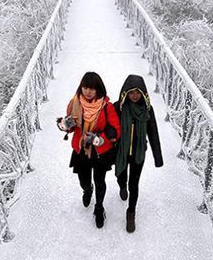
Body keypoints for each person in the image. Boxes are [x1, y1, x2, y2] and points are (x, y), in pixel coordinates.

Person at [59, 71, 120, 228]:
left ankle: (99, 207)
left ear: (98, 89)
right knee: (84, 181)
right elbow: (71, 127)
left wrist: (99, 139)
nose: (88, 91)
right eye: (85, 87)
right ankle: (87, 190)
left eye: (92, 88)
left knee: (100, 181)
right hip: (81, 151)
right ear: (81, 87)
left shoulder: (106, 106)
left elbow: (116, 129)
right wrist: (65, 125)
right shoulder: (74, 104)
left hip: (100, 152)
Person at [113, 74, 163, 233]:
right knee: (121, 176)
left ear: (143, 93)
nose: (134, 96)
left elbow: (153, 133)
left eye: (138, 92)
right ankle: (122, 187)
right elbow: (108, 127)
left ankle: (131, 213)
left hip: (138, 153)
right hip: (120, 151)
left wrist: (158, 157)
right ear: (125, 93)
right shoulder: (118, 107)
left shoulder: (147, 110)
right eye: (131, 92)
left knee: (134, 184)